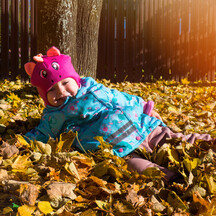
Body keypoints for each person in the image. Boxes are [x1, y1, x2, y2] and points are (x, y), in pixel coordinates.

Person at [24, 46, 214, 182]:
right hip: (118, 150)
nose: (61, 92)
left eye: (65, 83)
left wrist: (143, 106)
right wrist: (22, 141)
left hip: (140, 126)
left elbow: (119, 98)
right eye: (52, 90)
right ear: (44, 96)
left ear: (75, 79)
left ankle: (209, 143)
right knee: (135, 167)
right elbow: (42, 133)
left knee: (173, 139)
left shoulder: (93, 88)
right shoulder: (54, 115)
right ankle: (171, 179)